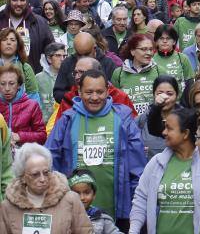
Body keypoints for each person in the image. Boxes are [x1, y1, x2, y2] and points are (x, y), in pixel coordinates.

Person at [46, 69, 146, 228]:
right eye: (89, 92)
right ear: (79, 91)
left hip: (117, 209)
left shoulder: (123, 118)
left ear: (107, 91)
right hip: (74, 209)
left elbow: (138, 166)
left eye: (100, 92)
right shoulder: (68, 119)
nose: (94, 97)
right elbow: (50, 158)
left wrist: (136, 204)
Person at [129, 107, 200, 234]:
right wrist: (133, 230)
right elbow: (141, 199)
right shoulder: (156, 163)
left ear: (185, 133)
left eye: (169, 128)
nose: (164, 132)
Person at [0, 143, 93, 233]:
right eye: (35, 174)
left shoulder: (70, 200)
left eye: (46, 172)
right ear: (23, 176)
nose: (42, 179)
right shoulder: (7, 207)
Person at [0, 0, 54, 73]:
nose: (18, 3)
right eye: (14, 0)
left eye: (22, 0)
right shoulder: (1, 20)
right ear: (9, 1)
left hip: (32, 77)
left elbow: (51, 50)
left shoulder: (40, 22)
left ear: (27, 2)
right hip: (3, 80)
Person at [52, 32, 117, 103]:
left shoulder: (108, 64)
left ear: (94, 48)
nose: (82, 59)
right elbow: (58, 93)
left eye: (87, 54)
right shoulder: (68, 63)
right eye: (79, 55)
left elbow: (116, 93)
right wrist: (78, 98)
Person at [111, 34, 164, 116]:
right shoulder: (118, 73)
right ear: (132, 51)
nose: (149, 53)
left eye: (151, 49)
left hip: (152, 121)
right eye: (144, 49)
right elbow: (115, 101)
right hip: (128, 121)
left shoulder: (159, 71)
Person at [135, 75, 180, 159]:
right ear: (153, 95)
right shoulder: (142, 120)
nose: (164, 97)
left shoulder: (185, 119)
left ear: (177, 96)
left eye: (169, 94)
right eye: (160, 93)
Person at [0, 64, 45, 146]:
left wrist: (20, 136)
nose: (7, 88)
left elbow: (42, 136)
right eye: (2, 84)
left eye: (11, 83)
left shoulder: (32, 105)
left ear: (19, 85)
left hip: (24, 154)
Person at [68, 169, 121, 234]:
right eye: (77, 193)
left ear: (94, 194)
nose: (82, 198)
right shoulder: (64, 216)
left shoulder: (101, 217)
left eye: (87, 193)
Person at [0, 27, 40, 98]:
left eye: (12, 40)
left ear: (18, 45)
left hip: (21, 109)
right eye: (4, 39)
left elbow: (33, 96)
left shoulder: (25, 68)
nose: (8, 42)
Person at [152, 24, 195, 89]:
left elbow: (190, 82)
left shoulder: (182, 58)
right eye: (161, 38)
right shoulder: (151, 59)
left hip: (179, 98)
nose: (165, 41)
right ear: (156, 42)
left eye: (168, 38)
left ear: (174, 41)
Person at [36, 42, 65, 124]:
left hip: (63, 123)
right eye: (58, 55)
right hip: (44, 124)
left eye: (64, 56)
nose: (62, 59)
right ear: (49, 59)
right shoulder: (39, 78)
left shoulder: (69, 78)